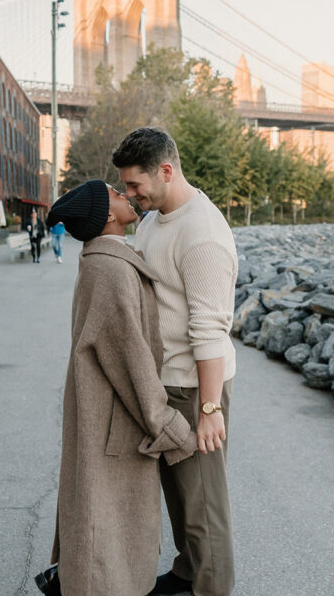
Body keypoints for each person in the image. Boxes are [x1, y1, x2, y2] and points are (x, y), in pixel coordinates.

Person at [41, 179, 196, 596]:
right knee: (105, 525)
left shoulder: (107, 261)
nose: (123, 194)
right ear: (107, 215)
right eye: (114, 192)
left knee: (103, 519)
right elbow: (129, 360)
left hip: (106, 415)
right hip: (115, 420)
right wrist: (168, 426)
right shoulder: (110, 269)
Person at [113, 127, 239, 596]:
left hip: (194, 387)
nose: (130, 195)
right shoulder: (154, 217)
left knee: (206, 508)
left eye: (134, 185)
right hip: (163, 384)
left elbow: (210, 330)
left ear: (166, 171)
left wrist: (210, 410)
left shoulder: (203, 233)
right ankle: (188, 573)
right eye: (125, 187)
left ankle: (211, 588)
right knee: (181, 497)